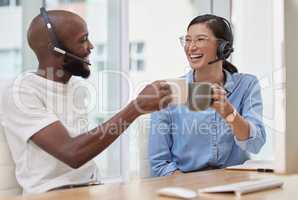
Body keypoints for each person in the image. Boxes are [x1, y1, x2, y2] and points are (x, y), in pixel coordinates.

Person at [2, 8, 172, 194]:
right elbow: (72, 153)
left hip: (90, 188)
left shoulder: (75, 87)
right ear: (56, 51)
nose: (91, 47)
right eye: (83, 40)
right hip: (51, 194)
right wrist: (136, 108)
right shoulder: (21, 91)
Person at [149, 14, 266, 177]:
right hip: (188, 187)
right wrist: (192, 188)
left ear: (223, 48)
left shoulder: (246, 85)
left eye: (200, 39)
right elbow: (160, 164)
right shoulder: (169, 92)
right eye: (188, 40)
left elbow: (255, 144)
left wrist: (229, 114)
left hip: (235, 184)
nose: (191, 47)